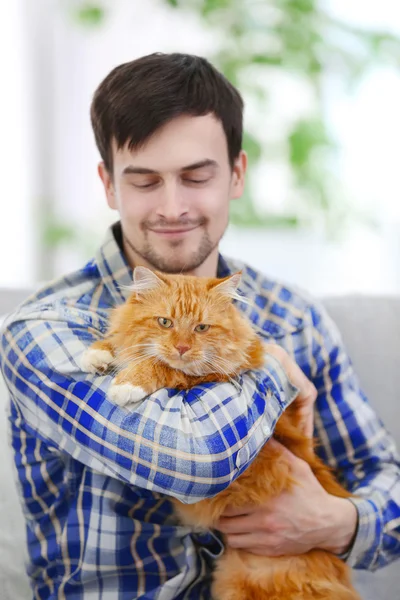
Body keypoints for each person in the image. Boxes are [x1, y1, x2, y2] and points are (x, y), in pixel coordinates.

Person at [0, 52, 399, 600]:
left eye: (195, 176)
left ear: (236, 174)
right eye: (144, 181)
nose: (172, 207)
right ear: (109, 185)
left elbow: (381, 472)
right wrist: (270, 368)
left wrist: (340, 522)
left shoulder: (295, 317)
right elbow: (194, 461)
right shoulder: (44, 329)